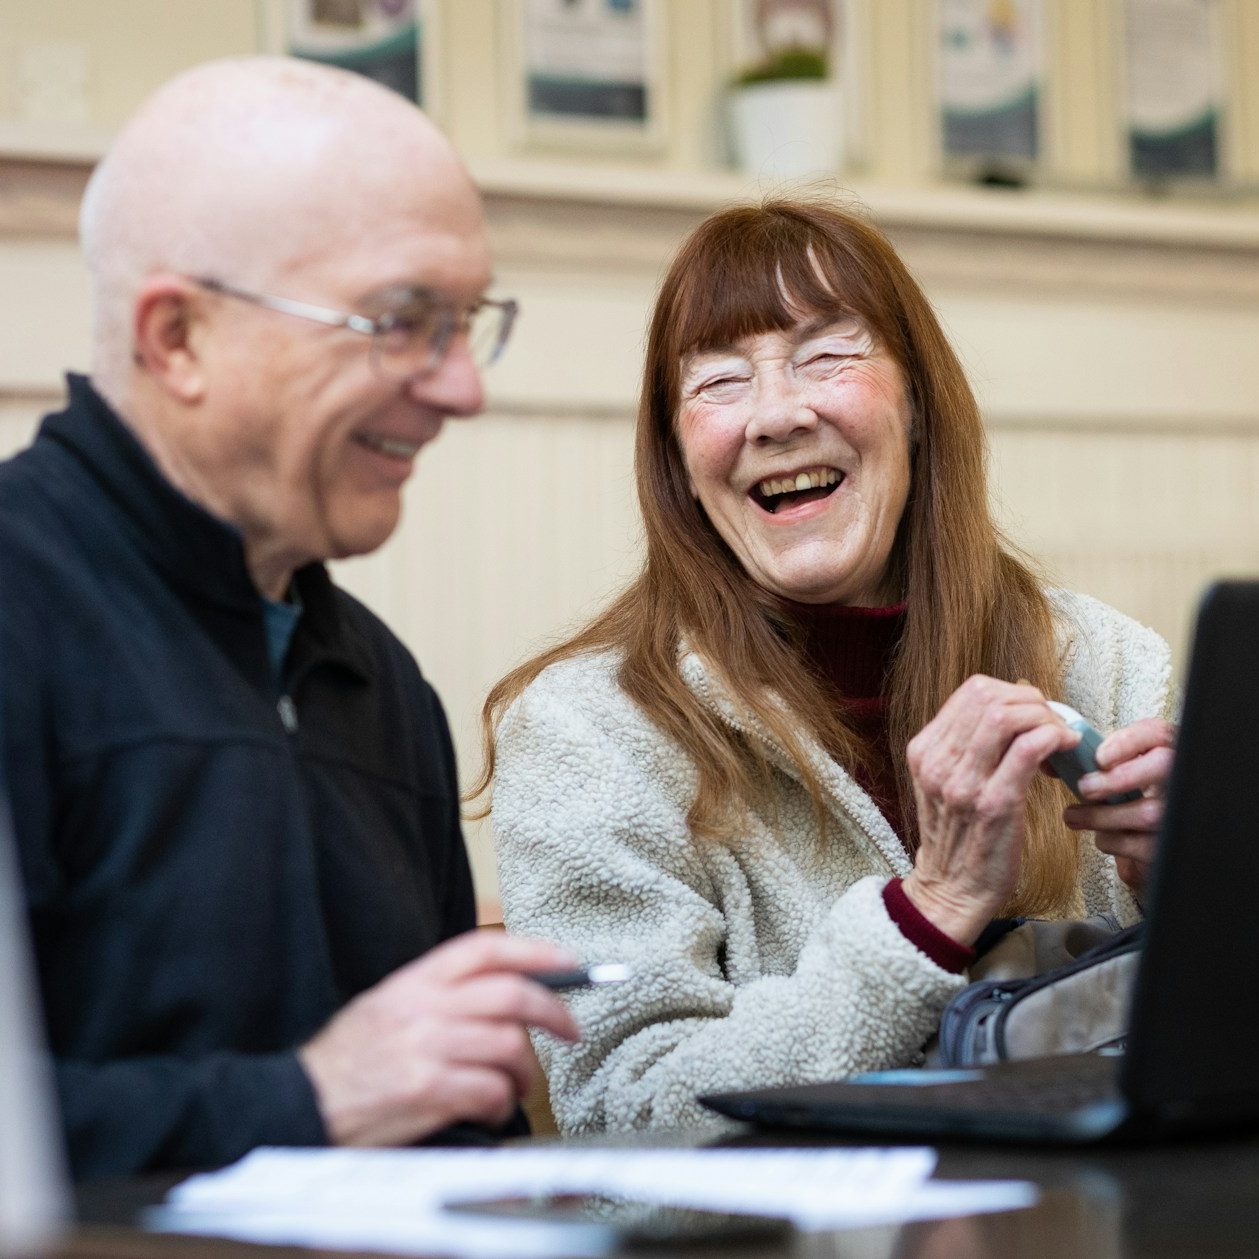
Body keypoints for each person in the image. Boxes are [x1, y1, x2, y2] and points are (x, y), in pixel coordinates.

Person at [0, 56, 581, 1179]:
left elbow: (450, 1123)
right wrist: (310, 1096)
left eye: (466, 321)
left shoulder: (380, 680)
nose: (463, 387)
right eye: (404, 319)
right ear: (179, 339)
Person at [481, 200, 1177, 1134]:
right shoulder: (584, 728)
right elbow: (626, 1122)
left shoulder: (1108, 662)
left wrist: (1201, 894)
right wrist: (927, 913)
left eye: (825, 357)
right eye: (719, 380)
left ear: (918, 403)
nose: (775, 414)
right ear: (678, 461)